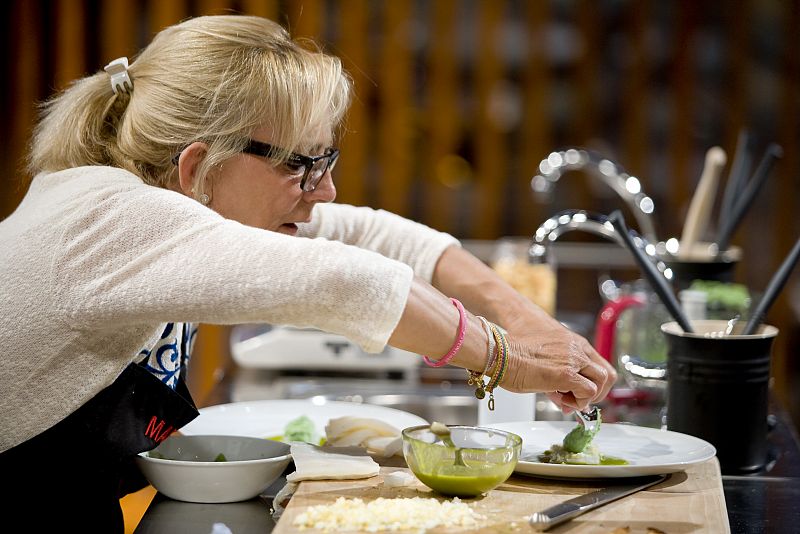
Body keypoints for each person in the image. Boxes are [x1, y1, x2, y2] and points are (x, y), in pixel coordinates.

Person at [0, 14, 615, 531]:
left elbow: (370, 235)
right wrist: (502, 357)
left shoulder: (159, 204)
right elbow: (342, 280)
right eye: (303, 165)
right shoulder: (111, 218)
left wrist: (530, 322)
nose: (325, 190)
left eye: (328, 160)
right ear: (195, 168)